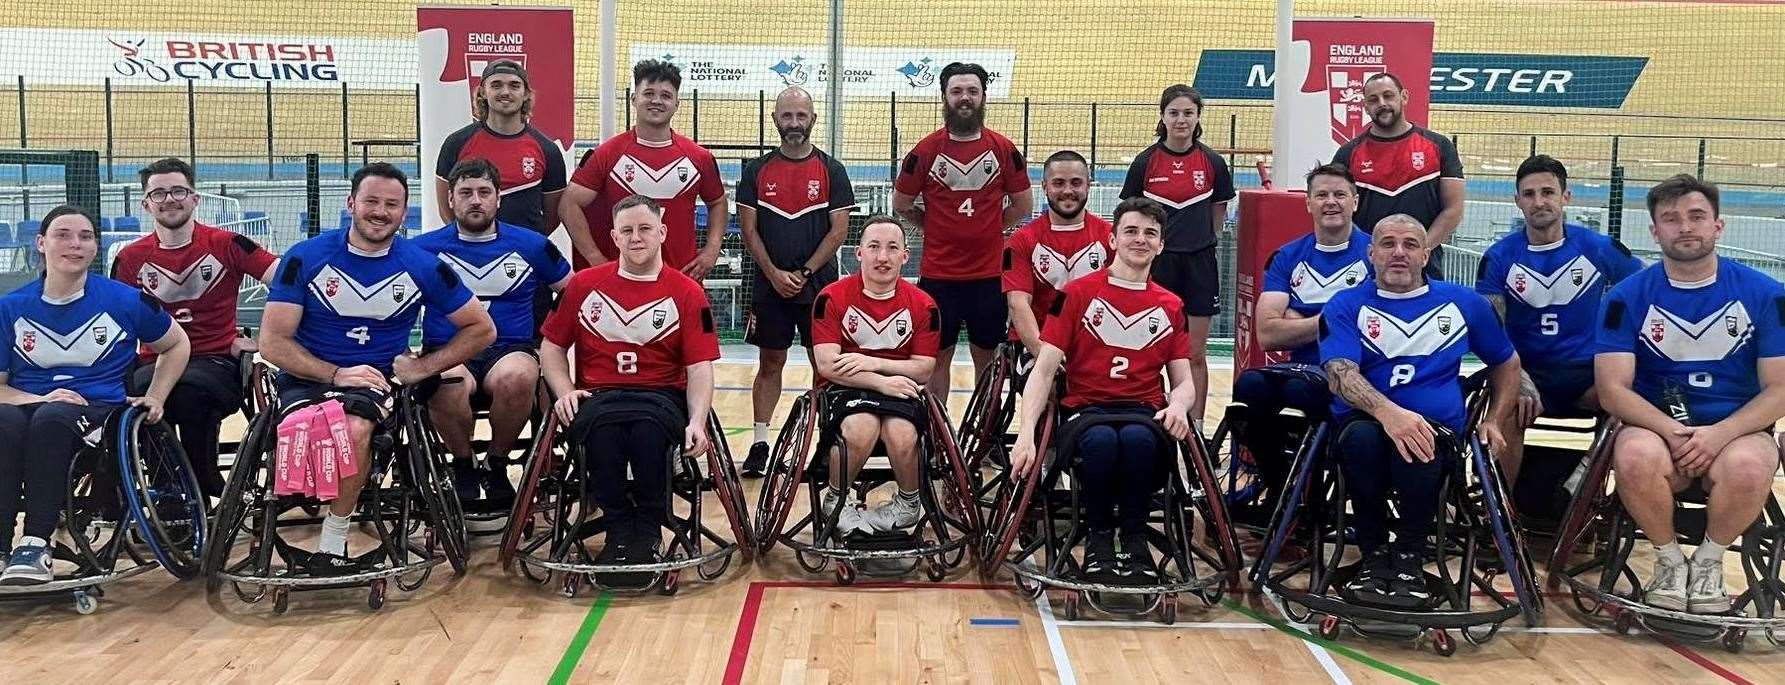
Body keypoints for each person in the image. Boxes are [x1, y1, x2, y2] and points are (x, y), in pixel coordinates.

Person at [260, 163, 494, 575]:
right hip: (308, 380)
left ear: (405, 214)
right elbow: (273, 342)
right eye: (371, 201)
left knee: (353, 429)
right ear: (351, 204)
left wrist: (422, 368)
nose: (380, 212)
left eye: (392, 205)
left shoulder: (423, 265)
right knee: (310, 426)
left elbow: (481, 329)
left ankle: (332, 542)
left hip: (377, 385)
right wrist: (335, 374)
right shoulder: (305, 258)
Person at [1595, 174, 1785, 614]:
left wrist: (1717, 435)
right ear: (1654, 231)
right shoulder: (1626, 297)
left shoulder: (1767, 295)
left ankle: (1708, 562)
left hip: (1735, 430)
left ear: (1718, 226)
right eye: (1671, 219)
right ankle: (1668, 561)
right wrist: (1674, 431)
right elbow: (1612, 389)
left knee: (1752, 463)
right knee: (1634, 454)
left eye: (1697, 216)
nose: (1685, 227)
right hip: (1657, 428)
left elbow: (1779, 389)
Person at [1319, 214, 1520, 606]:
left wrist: (1494, 418)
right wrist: (1391, 414)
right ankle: (1374, 553)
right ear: (1370, 253)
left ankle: (1410, 555)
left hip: (1437, 431)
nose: (1399, 253)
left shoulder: (1464, 304)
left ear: (1425, 255)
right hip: (1364, 425)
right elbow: (1340, 375)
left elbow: (1507, 363)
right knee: (1362, 441)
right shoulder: (1345, 304)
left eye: (1410, 245)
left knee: (1421, 442)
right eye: (1388, 244)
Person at [1008, 197, 1198, 584]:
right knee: (1100, 444)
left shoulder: (1171, 304)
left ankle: (1134, 539)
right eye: (1130, 231)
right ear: (1112, 239)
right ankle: (1097, 540)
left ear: (1161, 245)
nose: (1140, 240)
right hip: (1086, 411)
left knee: (1140, 442)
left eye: (1150, 234)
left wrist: (1179, 405)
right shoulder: (1076, 294)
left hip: (1143, 411)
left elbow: (1184, 381)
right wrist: (1025, 435)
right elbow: (1043, 372)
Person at [0, 204, 190, 584]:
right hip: (33, 407)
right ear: (41, 243)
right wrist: (40, 399)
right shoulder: (11, 308)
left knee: (51, 421)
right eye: (63, 235)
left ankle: (37, 543)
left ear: (96, 248)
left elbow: (177, 344)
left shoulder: (125, 300)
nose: (75, 244)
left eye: (86, 237)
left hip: (99, 413)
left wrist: (156, 396)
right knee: (6, 420)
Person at [541, 195, 720, 576]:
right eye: (627, 231)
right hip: (599, 397)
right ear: (614, 237)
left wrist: (698, 421)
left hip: (660, 397)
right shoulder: (584, 285)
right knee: (601, 436)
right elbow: (552, 347)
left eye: (644, 229)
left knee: (647, 435)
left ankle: (649, 528)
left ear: (662, 233)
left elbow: (700, 367)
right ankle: (618, 527)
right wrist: (564, 390)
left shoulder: (687, 292)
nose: (636, 238)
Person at [112, 157, 278, 497]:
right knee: (140, 402)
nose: (169, 199)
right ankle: (167, 495)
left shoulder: (229, 244)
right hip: (153, 361)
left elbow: (289, 282)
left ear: (195, 198)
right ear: (146, 204)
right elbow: (116, 320)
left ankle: (203, 490)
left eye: (178, 191)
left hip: (214, 359)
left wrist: (265, 338)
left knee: (190, 397)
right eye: (159, 194)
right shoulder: (130, 258)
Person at [413, 158, 571, 510]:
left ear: (498, 199)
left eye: (484, 192)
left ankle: (496, 465)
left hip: (510, 348)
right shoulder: (423, 250)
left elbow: (573, 291)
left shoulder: (532, 245)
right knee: (446, 382)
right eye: (466, 193)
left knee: (518, 376)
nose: (475, 200)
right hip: (449, 350)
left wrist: (552, 338)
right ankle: (464, 464)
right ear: (450, 199)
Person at [1477, 155, 1641, 483]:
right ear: (1517, 201)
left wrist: (1617, 340)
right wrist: (1517, 379)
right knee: (1504, 410)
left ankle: (1578, 490)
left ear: (1566, 197)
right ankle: (1502, 517)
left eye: (1548, 192)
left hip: (1588, 375)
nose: (1539, 201)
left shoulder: (1600, 249)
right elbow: (1490, 331)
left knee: (1631, 408)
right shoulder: (1498, 258)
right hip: (1526, 372)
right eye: (1529, 194)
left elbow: (1647, 293)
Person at [1229, 163, 1372, 524]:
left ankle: (1313, 498)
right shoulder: (1288, 256)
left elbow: (1371, 324)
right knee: (1249, 387)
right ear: (1307, 203)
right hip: (1301, 368)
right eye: (1321, 195)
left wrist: (1301, 318)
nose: (1331, 202)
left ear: (1355, 201)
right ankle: (1283, 492)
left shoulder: (1375, 254)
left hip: (1358, 371)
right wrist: (1332, 319)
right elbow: (1268, 332)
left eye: (1340, 194)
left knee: (1301, 391)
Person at [891, 61, 1033, 403]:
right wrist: (938, 228)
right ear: (944, 97)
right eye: (957, 91)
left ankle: (985, 440)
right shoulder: (924, 151)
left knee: (988, 360)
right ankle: (941, 444)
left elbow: (1023, 205)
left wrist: (985, 229)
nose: (964, 98)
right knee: (935, 360)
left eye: (972, 91)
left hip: (989, 277)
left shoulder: (1003, 149)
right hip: (939, 277)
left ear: (984, 96)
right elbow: (902, 203)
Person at [737, 86, 855, 477]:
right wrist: (773, 273)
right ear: (775, 120)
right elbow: (749, 230)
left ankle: (826, 440)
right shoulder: (757, 171)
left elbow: (839, 231)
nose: (793, 124)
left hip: (818, 287)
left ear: (813, 120)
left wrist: (804, 273)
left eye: (800, 116)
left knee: (825, 366)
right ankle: (758, 442)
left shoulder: (831, 170)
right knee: (770, 362)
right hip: (770, 287)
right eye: (786, 116)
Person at [809, 216, 940, 534]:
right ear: (859, 253)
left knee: (902, 433)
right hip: (845, 389)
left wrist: (871, 363)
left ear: (905, 256)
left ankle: (909, 504)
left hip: (900, 388)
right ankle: (837, 502)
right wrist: (882, 382)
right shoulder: (831, 297)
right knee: (860, 428)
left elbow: (924, 367)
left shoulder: (923, 305)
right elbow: (827, 365)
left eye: (892, 248)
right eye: (874, 247)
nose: (883, 257)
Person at [1119, 84, 1235, 426]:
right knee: (1150, 347)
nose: (1181, 119)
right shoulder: (1145, 162)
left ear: (1198, 117)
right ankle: (1148, 418)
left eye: (1188, 113)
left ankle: (1195, 429)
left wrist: (1197, 241)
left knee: (1194, 352)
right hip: (1158, 266)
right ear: (1163, 117)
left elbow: (1217, 217)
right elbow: (1130, 214)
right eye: (1174, 113)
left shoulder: (1212, 162)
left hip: (1199, 264)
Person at [559, 59, 728, 278]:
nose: (656, 101)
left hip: (681, 280)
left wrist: (712, 250)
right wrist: (596, 259)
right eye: (648, 93)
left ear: (677, 104)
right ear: (633, 99)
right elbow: (568, 205)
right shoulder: (608, 154)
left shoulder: (699, 157)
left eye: (666, 96)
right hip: (622, 281)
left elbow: (718, 203)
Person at [1331, 73, 1464, 280]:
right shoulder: (1348, 154)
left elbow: (1453, 209)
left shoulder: (1439, 146)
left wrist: (1418, 251)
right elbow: (1340, 212)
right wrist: (1375, 254)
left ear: (1404, 97)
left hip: (1425, 268)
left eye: (1388, 96)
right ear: (1365, 107)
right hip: (1364, 268)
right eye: (1373, 100)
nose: (1382, 104)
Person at [433, 60, 567, 235]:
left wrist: (524, 244)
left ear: (525, 93)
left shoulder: (547, 150)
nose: (505, 92)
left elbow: (552, 216)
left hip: (523, 254)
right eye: (496, 85)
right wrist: (470, 239)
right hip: (471, 251)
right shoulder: (456, 143)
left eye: (514, 85)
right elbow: (446, 207)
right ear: (483, 92)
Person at [1003, 150, 1111, 358]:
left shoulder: (1110, 237)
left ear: (1088, 185)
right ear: (1044, 187)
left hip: (1095, 342)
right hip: (1038, 341)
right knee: (1050, 384)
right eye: (1059, 183)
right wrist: (1043, 354)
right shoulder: (1021, 241)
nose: (1068, 191)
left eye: (1076, 183)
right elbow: (1018, 304)